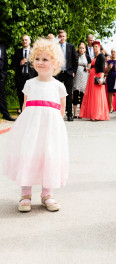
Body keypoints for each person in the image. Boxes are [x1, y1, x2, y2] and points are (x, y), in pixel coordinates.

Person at [3, 38, 69, 212]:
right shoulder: (29, 84)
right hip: (31, 129)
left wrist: (55, 129)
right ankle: (25, 194)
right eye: (38, 58)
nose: (40, 62)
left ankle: (47, 194)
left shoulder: (59, 86)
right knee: (29, 155)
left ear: (54, 63)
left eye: (45, 59)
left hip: (50, 130)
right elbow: (25, 107)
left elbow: (61, 110)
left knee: (49, 156)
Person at [79, 41, 110, 121]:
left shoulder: (101, 56)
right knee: (93, 96)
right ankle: (93, 114)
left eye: (96, 46)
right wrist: (89, 69)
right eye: (93, 47)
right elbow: (94, 66)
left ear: (99, 47)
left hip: (97, 77)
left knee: (97, 96)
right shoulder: (96, 57)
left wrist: (101, 78)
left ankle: (97, 114)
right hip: (92, 77)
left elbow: (103, 68)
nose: (94, 48)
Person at [56, 30, 78, 121]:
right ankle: (57, 114)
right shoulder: (55, 47)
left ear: (66, 37)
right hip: (57, 73)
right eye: (60, 36)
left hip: (68, 73)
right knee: (56, 94)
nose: (62, 38)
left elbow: (75, 60)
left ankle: (69, 114)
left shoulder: (71, 46)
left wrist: (73, 71)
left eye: (63, 36)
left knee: (68, 94)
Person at [12, 35, 36, 113]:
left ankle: (30, 109)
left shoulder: (34, 52)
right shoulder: (18, 52)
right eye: (23, 40)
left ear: (29, 41)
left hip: (31, 76)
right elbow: (13, 64)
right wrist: (20, 63)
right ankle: (22, 109)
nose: (24, 41)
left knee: (31, 94)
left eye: (26, 40)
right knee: (21, 93)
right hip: (21, 76)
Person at [73, 42, 91, 118]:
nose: (81, 49)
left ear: (85, 49)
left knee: (83, 94)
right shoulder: (76, 56)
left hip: (84, 76)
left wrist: (88, 69)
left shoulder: (87, 56)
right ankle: (75, 113)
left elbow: (89, 66)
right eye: (80, 47)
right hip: (77, 75)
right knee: (76, 93)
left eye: (83, 48)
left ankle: (81, 112)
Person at [0, 44, 15, 121]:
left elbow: (5, 61)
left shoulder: (2, 47)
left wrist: (4, 73)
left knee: (1, 95)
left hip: (1, 77)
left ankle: (5, 115)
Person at [106, 49, 116, 113]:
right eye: (112, 52)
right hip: (110, 77)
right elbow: (106, 72)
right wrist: (109, 68)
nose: (113, 53)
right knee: (110, 92)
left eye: (114, 52)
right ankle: (111, 107)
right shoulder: (109, 61)